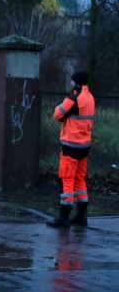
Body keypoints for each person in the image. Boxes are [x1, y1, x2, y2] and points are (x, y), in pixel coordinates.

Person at [47, 71, 95, 228]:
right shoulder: (90, 98)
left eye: (72, 81)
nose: (70, 83)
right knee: (80, 179)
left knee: (67, 180)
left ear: (76, 83)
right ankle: (81, 216)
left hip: (70, 146)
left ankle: (64, 217)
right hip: (84, 146)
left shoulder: (73, 99)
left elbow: (56, 114)